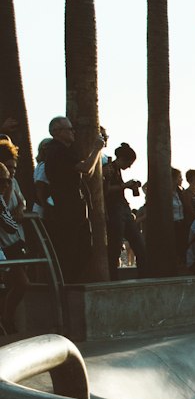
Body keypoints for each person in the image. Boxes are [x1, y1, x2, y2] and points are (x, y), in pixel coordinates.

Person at [44, 116, 103, 280]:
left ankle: (70, 281)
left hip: (74, 207)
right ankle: (68, 283)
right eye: (69, 129)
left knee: (82, 249)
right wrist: (97, 149)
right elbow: (85, 168)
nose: (73, 132)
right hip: (67, 208)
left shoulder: (64, 151)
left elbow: (87, 171)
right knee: (72, 249)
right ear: (57, 132)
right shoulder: (58, 151)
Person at [103, 143, 146, 274]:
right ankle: (112, 274)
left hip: (123, 209)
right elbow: (104, 190)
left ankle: (144, 273)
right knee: (115, 246)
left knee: (138, 243)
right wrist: (124, 186)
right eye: (128, 162)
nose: (129, 166)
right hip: (114, 210)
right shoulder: (109, 169)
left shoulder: (116, 170)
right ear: (122, 158)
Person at [0, 148, 29, 334]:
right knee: (20, 282)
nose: (12, 172)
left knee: (18, 283)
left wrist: (20, 208)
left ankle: (6, 320)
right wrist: (8, 189)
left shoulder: (13, 182)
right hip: (5, 243)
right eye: (9, 168)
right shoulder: (5, 188)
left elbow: (22, 202)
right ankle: (6, 320)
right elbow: (8, 222)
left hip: (17, 241)